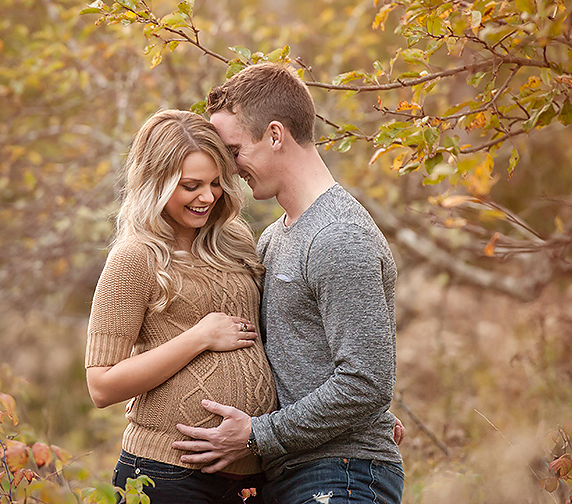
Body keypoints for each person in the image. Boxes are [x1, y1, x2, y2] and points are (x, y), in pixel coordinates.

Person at [173, 63, 405, 504]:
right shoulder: (274, 237)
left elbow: (366, 381)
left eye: (234, 150)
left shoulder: (338, 236)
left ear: (275, 135)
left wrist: (256, 434)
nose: (230, 170)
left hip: (343, 475)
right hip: (296, 473)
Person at [85, 109, 279, 503]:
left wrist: (353, 418)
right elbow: (101, 386)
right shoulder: (134, 258)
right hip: (167, 475)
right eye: (191, 185)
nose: (207, 197)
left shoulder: (235, 241)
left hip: (251, 470)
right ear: (156, 183)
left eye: (214, 183)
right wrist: (200, 337)